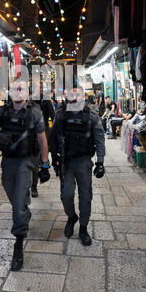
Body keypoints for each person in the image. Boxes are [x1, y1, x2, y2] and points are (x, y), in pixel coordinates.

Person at [0, 78, 50, 271]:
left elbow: (42, 140)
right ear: (10, 92)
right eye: (15, 88)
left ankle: (18, 244)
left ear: (27, 93)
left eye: (21, 89)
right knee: (14, 198)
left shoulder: (34, 112)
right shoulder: (0, 112)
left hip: (26, 162)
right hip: (8, 162)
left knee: (19, 203)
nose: (18, 92)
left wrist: (45, 165)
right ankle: (23, 212)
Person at [49, 87, 106, 246]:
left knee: (85, 195)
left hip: (83, 161)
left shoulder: (91, 116)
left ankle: (83, 227)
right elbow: (53, 137)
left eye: (77, 94)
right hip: (66, 161)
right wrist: (54, 158)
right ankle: (71, 216)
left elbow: (100, 139)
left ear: (83, 96)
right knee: (66, 195)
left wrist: (100, 162)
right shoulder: (60, 115)